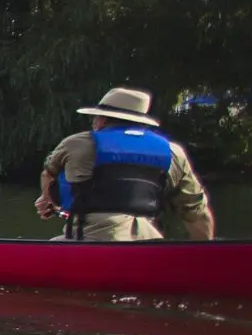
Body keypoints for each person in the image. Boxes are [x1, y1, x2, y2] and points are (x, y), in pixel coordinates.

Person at [36, 87, 213, 241]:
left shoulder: (78, 143)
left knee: (50, 249)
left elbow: (48, 174)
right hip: (148, 246)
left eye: (95, 118)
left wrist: (49, 201)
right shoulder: (174, 152)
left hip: (86, 243)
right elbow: (196, 213)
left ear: (102, 121)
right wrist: (203, 258)